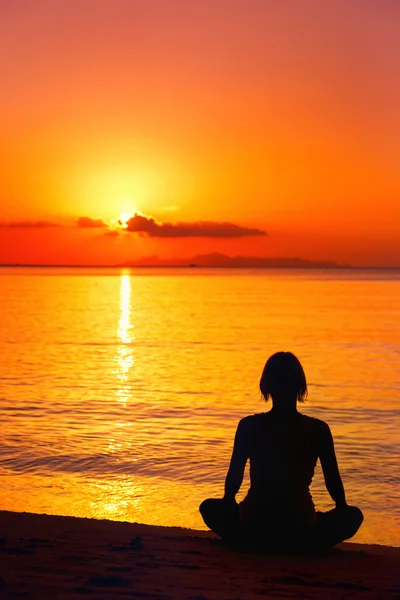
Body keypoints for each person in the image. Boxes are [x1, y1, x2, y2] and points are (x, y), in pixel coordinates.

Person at [199, 352, 363, 552]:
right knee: (352, 516)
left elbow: (234, 476)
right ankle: (300, 545)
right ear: (300, 387)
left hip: (254, 520)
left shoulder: (249, 425)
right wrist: (342, 507)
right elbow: (333, 481)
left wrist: (228, 502)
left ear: (266, 386)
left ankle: (252, 541)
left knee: (209, 507)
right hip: (300, 523)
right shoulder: (318, 429)